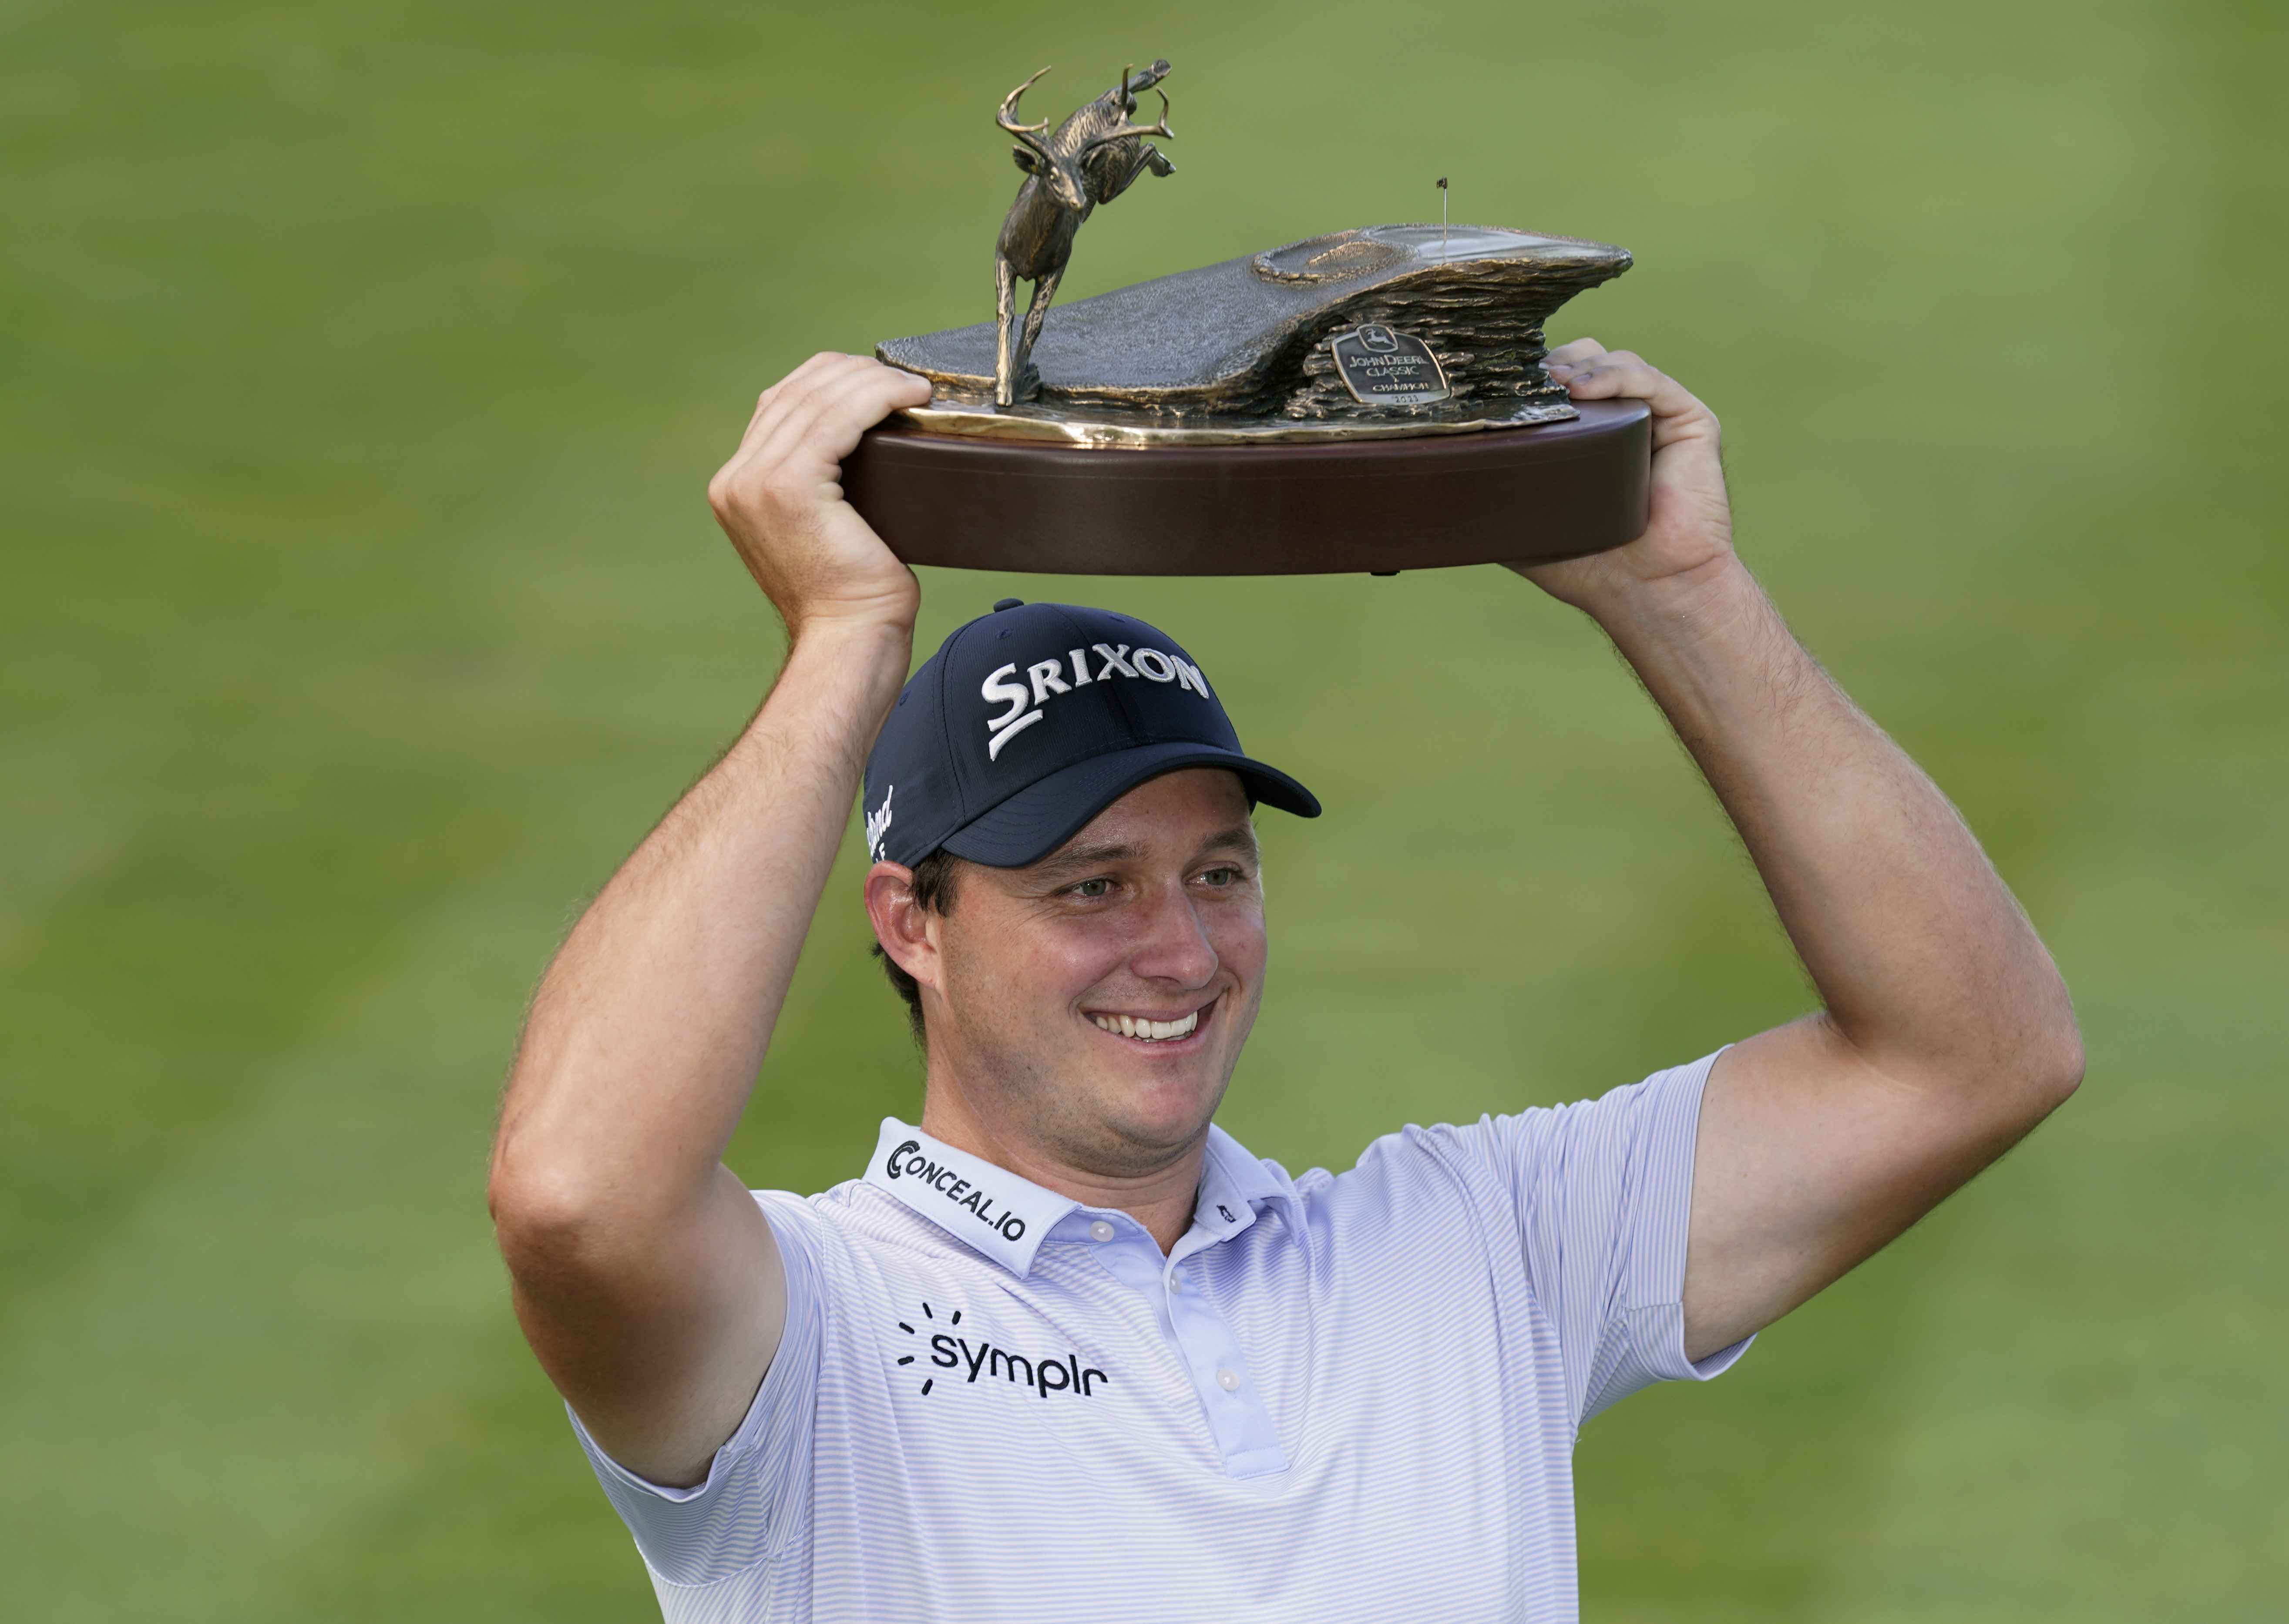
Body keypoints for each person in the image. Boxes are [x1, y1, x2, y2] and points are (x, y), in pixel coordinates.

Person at [487, 342, 2083, 1623]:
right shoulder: (805, 1325)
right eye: (1089, 887)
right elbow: (576, 1195)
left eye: (1219, 873)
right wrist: (843, 635)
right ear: (913, 919)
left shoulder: (1480, 1250)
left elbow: (1972, 1053)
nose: (1180, 952)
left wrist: (1684, 597)